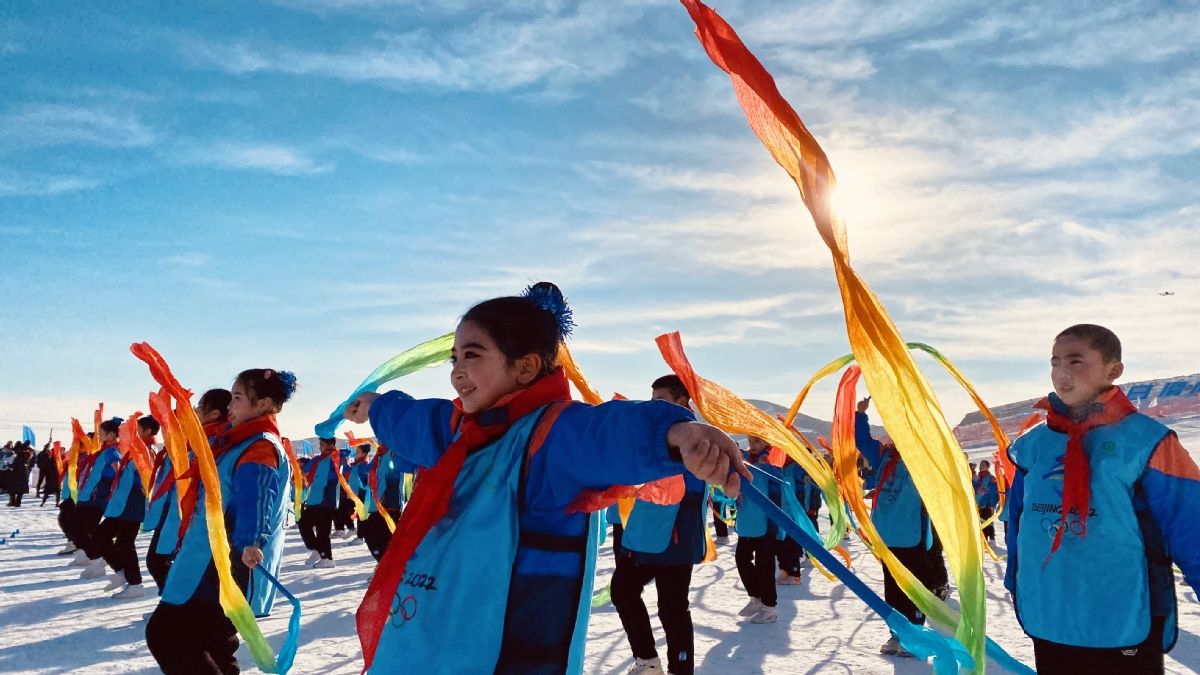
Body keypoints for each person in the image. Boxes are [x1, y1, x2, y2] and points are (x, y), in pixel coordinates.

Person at [343, 282, 748, 674]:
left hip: (508, 653)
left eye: (472, 355)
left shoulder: (549, 437)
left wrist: (676, 433)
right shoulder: (458, 431)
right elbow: (413, 421)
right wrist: (377, 407)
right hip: (429, 642)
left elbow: (605, 432)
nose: (457, 372)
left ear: (525, 366)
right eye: (454, 359)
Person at [1004, 324, 1200, 675]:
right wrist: (1016, 579)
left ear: (1113, 370)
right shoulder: (1033, 445)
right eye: (1055, 362)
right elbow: (1018, 522)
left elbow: (1192, 526)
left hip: (1123, 615)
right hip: (1050, 612)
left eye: (1076, 361)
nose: (1061, 373)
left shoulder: (1146, 442)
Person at [146, 368, 295, 675]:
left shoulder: (259, 446)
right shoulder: (237, 441)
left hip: (223, 564)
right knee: (214, 640)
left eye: (238, 397)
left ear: (264, 404)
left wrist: (251, 540)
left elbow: (256, 496)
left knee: (167, 635)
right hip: (209, 556)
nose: (231, 404)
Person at [610, 375, 708, 675]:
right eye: (652, 401)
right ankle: (648, 660)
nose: (655, 407)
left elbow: (691, 487)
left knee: (672, 608)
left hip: (676, 538)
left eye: (662, 401)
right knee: (623, 591)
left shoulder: (694, 438)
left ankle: (680, 668)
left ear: (682, 403)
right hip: (647, 534)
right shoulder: (658, 436)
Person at [857, 397, 950, 657]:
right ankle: (896, 633)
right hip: (887, 534)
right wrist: (860, 414)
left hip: (912, 535)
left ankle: (916, 634)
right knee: (892, 587)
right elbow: (861, 441)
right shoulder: (886, 456)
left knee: (913, 586)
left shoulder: (920, 459)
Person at [145, 388, 231, 594]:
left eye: (200, 406)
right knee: (160, 560)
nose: (195, 410)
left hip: (189, 516)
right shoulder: (196, 438)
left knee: (160, 561)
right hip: (175, 512)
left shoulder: (212, 442)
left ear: (215, 414)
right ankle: (171, 606)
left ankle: (173, 607)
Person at [734, 436, 801, 626]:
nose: (752, 445)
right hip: (746, 521)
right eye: (750, 441)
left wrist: (769, 466)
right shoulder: (745, 461)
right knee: (742, 559)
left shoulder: (771, 461)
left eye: (757, 441)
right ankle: (756, 598)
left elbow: (781, 484)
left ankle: (770, 608)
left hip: (766, 524)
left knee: (765, 566)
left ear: (766, 443)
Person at [72, 421, 123, 574]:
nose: (99, 436)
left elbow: (119, 472)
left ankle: (99, 560)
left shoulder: (112, 452)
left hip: (98, 498)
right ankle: (96, 558)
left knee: (87, 528)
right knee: (79, 527)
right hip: (88, 496)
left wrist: (112, 488)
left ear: (112, 434)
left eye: (101, 433)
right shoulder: (103, 451)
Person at [777, 456, 822, 583]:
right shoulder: (779, 468)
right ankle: (785, 570)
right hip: (780, 512)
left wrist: (805, 477)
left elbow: (801, 475)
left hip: (793, 513)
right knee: (781, 543)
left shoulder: (794, 467)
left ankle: (795, 573)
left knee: (791, 543)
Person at [299, 437, 340, 568]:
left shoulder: (336, 458)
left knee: (323, 531)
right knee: (303, 523)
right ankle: (317, 549)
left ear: (330, 445)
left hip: (326, 500)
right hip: (315, 499)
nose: (320, 447)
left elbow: (336, 476)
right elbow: (307, 466)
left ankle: (327, 558)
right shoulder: (319, 459)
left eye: (322, 444)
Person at [360, 443, 403, 562]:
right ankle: (384, 564)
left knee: (386, 538)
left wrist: (387, 500)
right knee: (369, 530)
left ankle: (388, 566)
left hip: (388, 505)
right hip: (377, 504)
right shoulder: (379, 455)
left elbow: (395, 480)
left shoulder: (393, 453)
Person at [348, 444, 371, 541]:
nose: (355, 454)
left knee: (361, 515)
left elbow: (366, 478)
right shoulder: (357, 464)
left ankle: (360, 536)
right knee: (357, 513)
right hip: (354, 494)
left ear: (364, 453)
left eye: (358, 452)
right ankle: (360, 535)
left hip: (361, 493)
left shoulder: (363, 464)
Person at [973, 459, 999, 544]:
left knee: (988, 522)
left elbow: (994, 492)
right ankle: (983, 541)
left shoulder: (991, 479)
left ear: (988, 467)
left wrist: (992, 505)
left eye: (983, 465)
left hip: (987, 504)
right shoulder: (977, 478)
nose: (981, 466)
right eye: (980, 465)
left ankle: (992, 540)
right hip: (978, 504)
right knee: (980, 523)